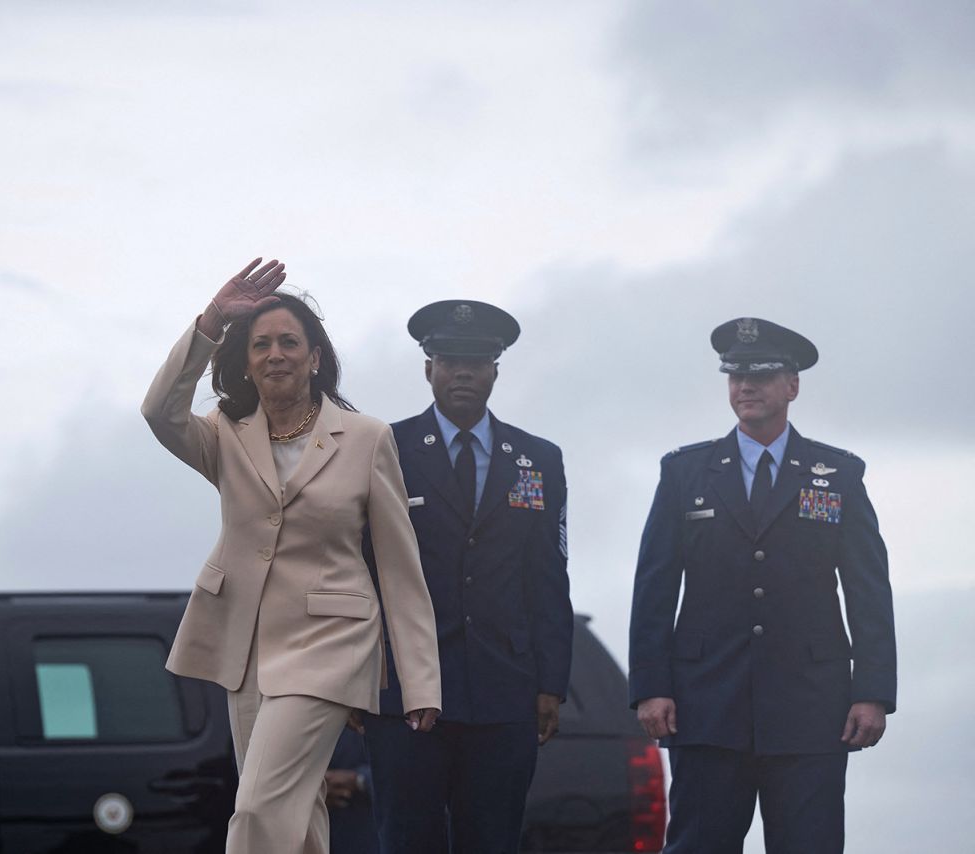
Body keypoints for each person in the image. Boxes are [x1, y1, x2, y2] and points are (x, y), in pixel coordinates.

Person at [141, 258, 442, 854]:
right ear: (246, 363)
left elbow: (400, 566)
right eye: (260, 345)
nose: (275, 353)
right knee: (294, 815)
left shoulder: (366, 438)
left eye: (288, 342)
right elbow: (159, 412)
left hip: (330, 642)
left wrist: (420, 680)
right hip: (246, 644)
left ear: (314, 358)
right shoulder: (225, 435)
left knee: (256, 807)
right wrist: (209, 324)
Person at [628, 317, 897, 854]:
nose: (744, 386)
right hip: (706, 704)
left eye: (761, 375)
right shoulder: (686, 473)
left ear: (792, 386)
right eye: (735, 376)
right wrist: (651, 686)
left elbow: (868, 588)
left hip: (810, 709)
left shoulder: (836, 474)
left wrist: (872, 693)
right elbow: (655, 586)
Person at [360, 299, 574, 854]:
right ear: (427, 367)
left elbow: (549, 574)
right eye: (448, 359)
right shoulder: (384, 449)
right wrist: (356, 675)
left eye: (476, 362)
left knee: (494, 840)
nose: (462, 373)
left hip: (504, 691)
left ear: (495, 371)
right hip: (406, 690)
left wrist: (551, 681)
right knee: (408, 839)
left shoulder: (538, 459)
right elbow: (359, 569)